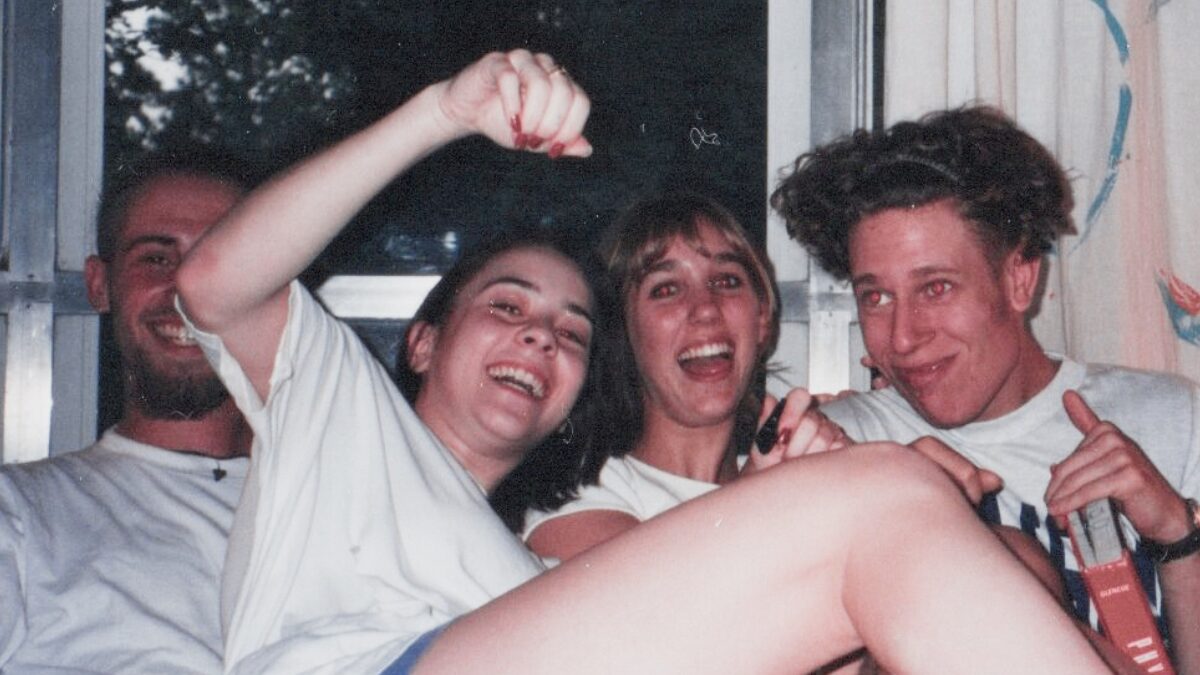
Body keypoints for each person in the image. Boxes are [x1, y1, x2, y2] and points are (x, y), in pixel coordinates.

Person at [177, 50, 1113, 674]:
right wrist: (441, 112)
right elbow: (215, 281)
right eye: (507, 306)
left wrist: (774, 502)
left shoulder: (525, 575)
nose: (544, 335)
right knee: (882, 493)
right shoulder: (345, 413)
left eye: (574, 329)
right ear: (421, 338)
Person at [772, 105, 1200, 672]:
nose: (902, 338)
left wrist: (1177, 539)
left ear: (1019, 279)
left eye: (936, 288)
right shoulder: (846, 447)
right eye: (875, 297)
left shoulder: (1172, 419)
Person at [0, 151, 253, 672]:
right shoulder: (21, 513)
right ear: (99, 284)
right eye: (157, 259)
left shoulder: (345, 508)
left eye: (219, 258)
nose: (187, 290)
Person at [511, 191, 846, 561]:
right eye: (666, 289)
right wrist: (758, 494)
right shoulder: (576, 499)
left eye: (726, 281)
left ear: (762, 318)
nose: (705, 309)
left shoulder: (793, 471)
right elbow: (663, 609)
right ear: (622, 332)